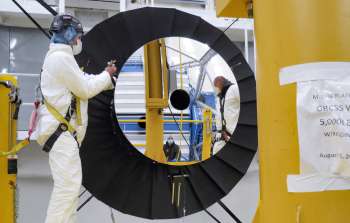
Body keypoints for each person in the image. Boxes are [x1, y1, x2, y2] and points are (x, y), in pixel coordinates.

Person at [35, 14, 117, 223]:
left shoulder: (60, 58)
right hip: (60, 134)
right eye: (78, 37)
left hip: (62, 134)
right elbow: (85, 89)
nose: (79, 41)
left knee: (70, 190)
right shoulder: (61, 58)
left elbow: (81, 80)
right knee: (67, 189)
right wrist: (106, 75)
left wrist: (107, 80)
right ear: (70, 35)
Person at [212, 76, 240, 154]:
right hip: (220, 138)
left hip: (231, 135)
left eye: (216, 86)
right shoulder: (220, 98)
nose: (215, 89)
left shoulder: (234, 89)